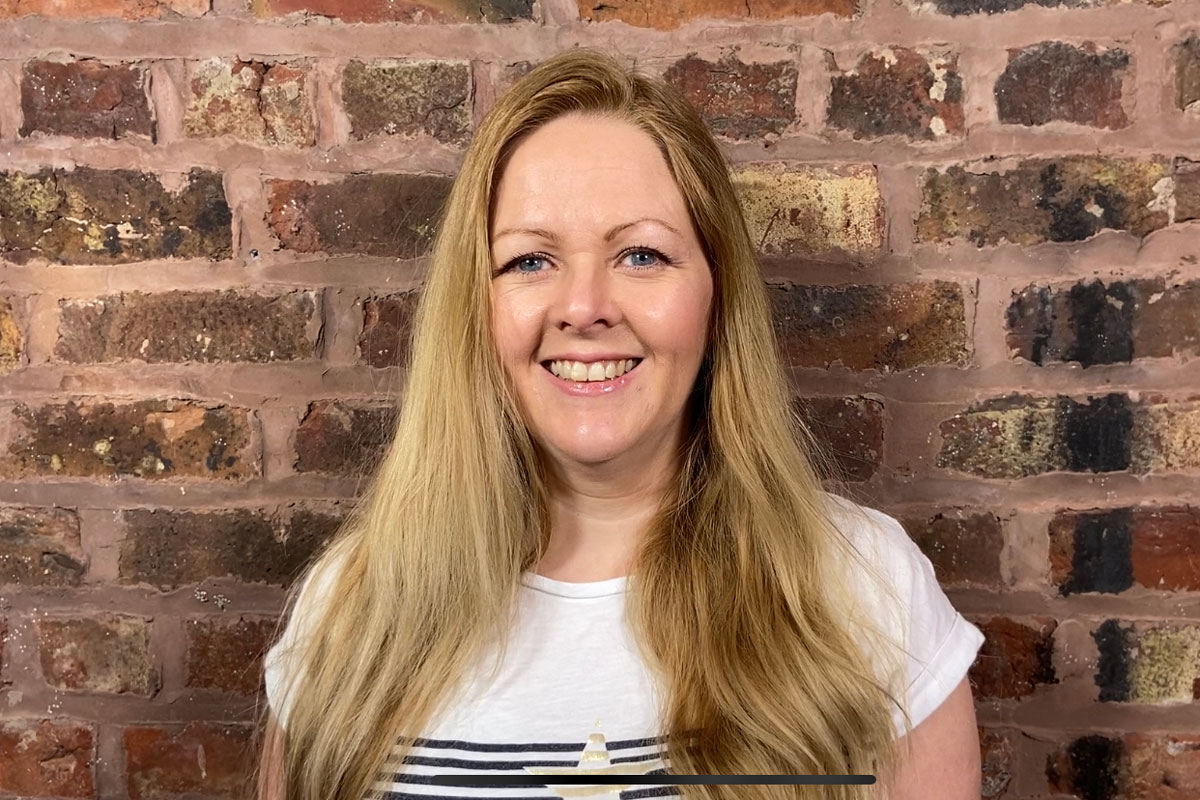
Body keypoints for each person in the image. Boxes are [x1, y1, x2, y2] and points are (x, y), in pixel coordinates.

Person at [257, 49, 985, 800]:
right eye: (529, 262)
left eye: (642, 254)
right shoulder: (351, 611)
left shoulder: (865, 586)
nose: (583, 307)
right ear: (475, 309)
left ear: (718, 296)